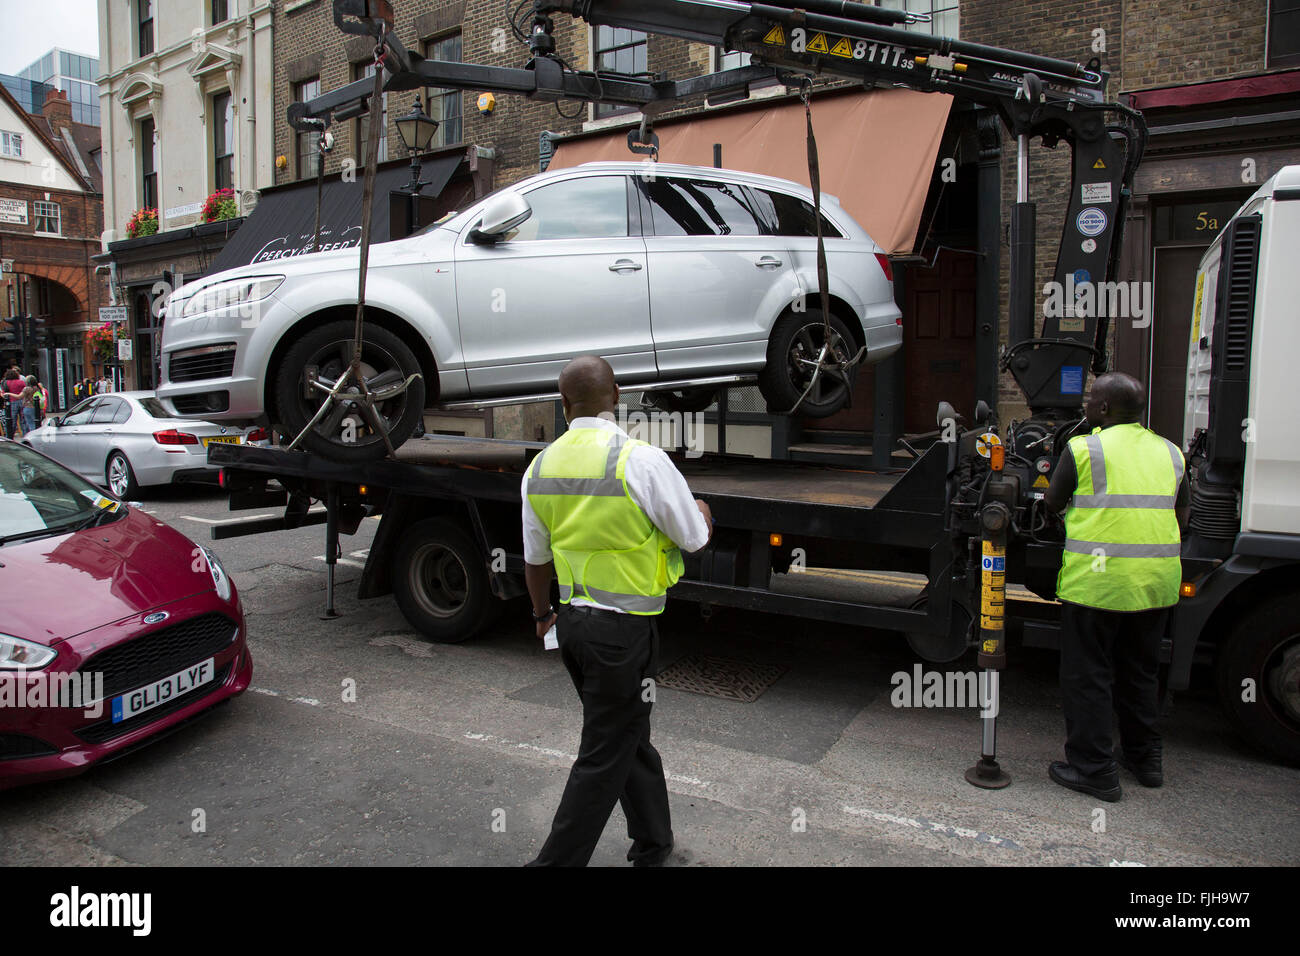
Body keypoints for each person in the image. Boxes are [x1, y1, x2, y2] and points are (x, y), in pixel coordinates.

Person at [522, 355, 713, 866]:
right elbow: (693, 539)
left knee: (627, 735)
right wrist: (705, 512)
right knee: (604, 753)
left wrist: (543, 616)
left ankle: (654, 843)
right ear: (618, 395)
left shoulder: (539, 468)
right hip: (623, 636)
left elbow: (535, 561)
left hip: (574, 628)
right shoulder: (641, 460)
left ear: (564, 406)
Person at [1043, 371, 1189, 801]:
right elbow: (1182, 512)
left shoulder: (1085, 448)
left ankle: (1093, 770)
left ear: (1104, 409)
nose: (1086, 405)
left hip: (1098, 587)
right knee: (1141, 672)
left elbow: (1052, 503)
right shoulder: (1171, 452)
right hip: (1155, 584)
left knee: (1089, 675)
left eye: (1090, 399)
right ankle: (1145, 760)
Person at [2, 368, 24, 438]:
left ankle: (10, 437)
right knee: (23, 421)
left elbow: (3, 393)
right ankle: (25, 435)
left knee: (11, 421)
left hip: (11, 402)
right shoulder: (21, 382)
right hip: (21, 400)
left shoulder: (5, 382)